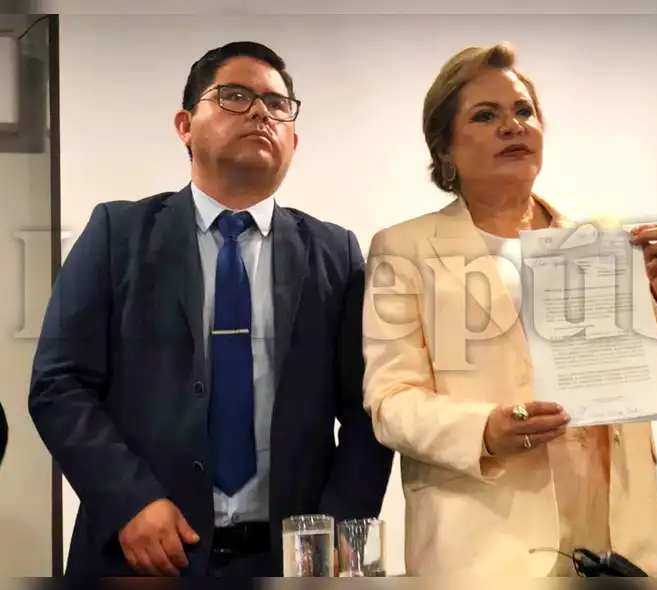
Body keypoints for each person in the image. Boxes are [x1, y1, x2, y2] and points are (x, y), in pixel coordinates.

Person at [28, 41, 394, 577]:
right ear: (185, 124)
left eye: (277, 104)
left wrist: (337, 533)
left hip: (290, 562)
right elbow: (59, 384)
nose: (259, 112)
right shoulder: (118, 234)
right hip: (144, 556)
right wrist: (128, 500)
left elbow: (368, 409)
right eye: (235, 96)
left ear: (294, 137)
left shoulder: (334, 253)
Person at [361, 42, 657, 577]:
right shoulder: (403, 247)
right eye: (485, 115)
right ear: (444, 148)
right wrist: (485, 429)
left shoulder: (599, 241)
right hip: (485, 541)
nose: (512, 126)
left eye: (524, 112)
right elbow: (390, 402)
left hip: (615, 537)